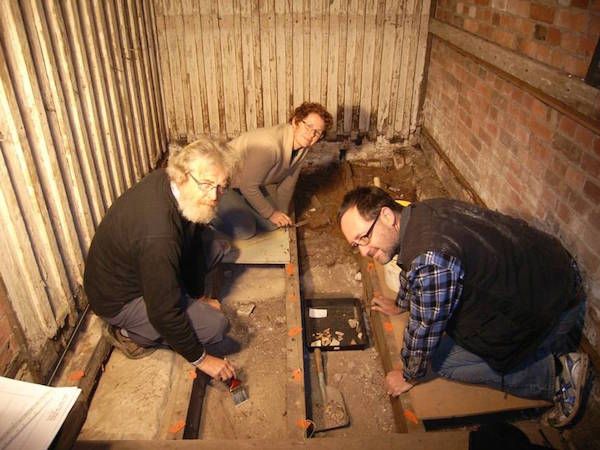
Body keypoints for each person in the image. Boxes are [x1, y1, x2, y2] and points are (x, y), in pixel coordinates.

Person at [338, 186, 589, 428]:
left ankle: (557, 375)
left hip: (553, 309)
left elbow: (424, 329)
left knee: (441, 361)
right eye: (355, 245)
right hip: (552, 273)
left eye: (364, 237)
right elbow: (410, 266)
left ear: (386, 215)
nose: (363, 251)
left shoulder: (430, 258)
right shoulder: (419, 214)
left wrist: (408, 376)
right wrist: (401, 304)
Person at [84, 138, 239, 382]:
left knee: (215, 245)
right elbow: (163, 312)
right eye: (207, 185)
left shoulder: (168, 181)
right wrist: (202, 359)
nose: (215, 196)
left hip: (146, 270)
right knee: (216, 327)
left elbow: (194, 237)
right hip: (120, 299)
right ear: (182, 175)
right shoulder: (158, 236)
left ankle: (182, 302)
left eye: (221, 186)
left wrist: (197, 296)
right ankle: (130, 333)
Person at [212, 102, 333, 239]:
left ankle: (241, 205)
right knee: (245, 231)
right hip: (219, 184)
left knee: (272, 224)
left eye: (317, 132)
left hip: (243, 183)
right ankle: (207, 216)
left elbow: (288, 183)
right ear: (295, 122)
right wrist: (271, 214)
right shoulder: (270, 146)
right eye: (309, 126)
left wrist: (281, 213)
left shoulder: (302, 146)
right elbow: (248, 185)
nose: (311, 134)